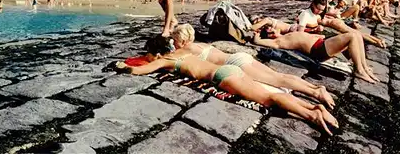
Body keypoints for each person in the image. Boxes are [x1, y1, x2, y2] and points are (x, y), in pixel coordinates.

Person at [116, 35, 339, 135]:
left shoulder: (164, 60)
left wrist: (123, 66)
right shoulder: (182, 50)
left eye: (149, 55)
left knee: (269, 98)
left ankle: (312, 115)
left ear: (156, 54)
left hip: (223, 76)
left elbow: (139, 69)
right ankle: (312, 107)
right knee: (271, 89)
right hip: (232, 69)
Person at [171, 23, 335, 108]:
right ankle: (315, 89)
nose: (175, 44)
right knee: (279, 77)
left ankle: (316, 94)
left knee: (278, 81)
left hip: (235, 64)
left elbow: (165, 58)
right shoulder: (199, 44)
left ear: (182, 40)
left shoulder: (186, 49)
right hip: (239, 57)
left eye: (175, 41)